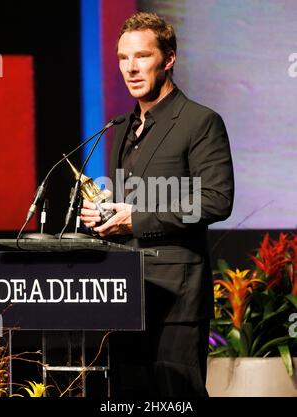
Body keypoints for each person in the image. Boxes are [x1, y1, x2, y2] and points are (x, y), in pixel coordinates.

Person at [81, 12, 234, 398]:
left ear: (168, 59)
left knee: (176, 401)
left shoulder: (200, 121)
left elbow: (216, 199)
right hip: (126, 296)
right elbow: (131, 206)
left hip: (176, 303)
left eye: (142, 56)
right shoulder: (123, 128)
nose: (130, 68)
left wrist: (136, 220)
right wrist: (104, 215)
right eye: (122, 58)